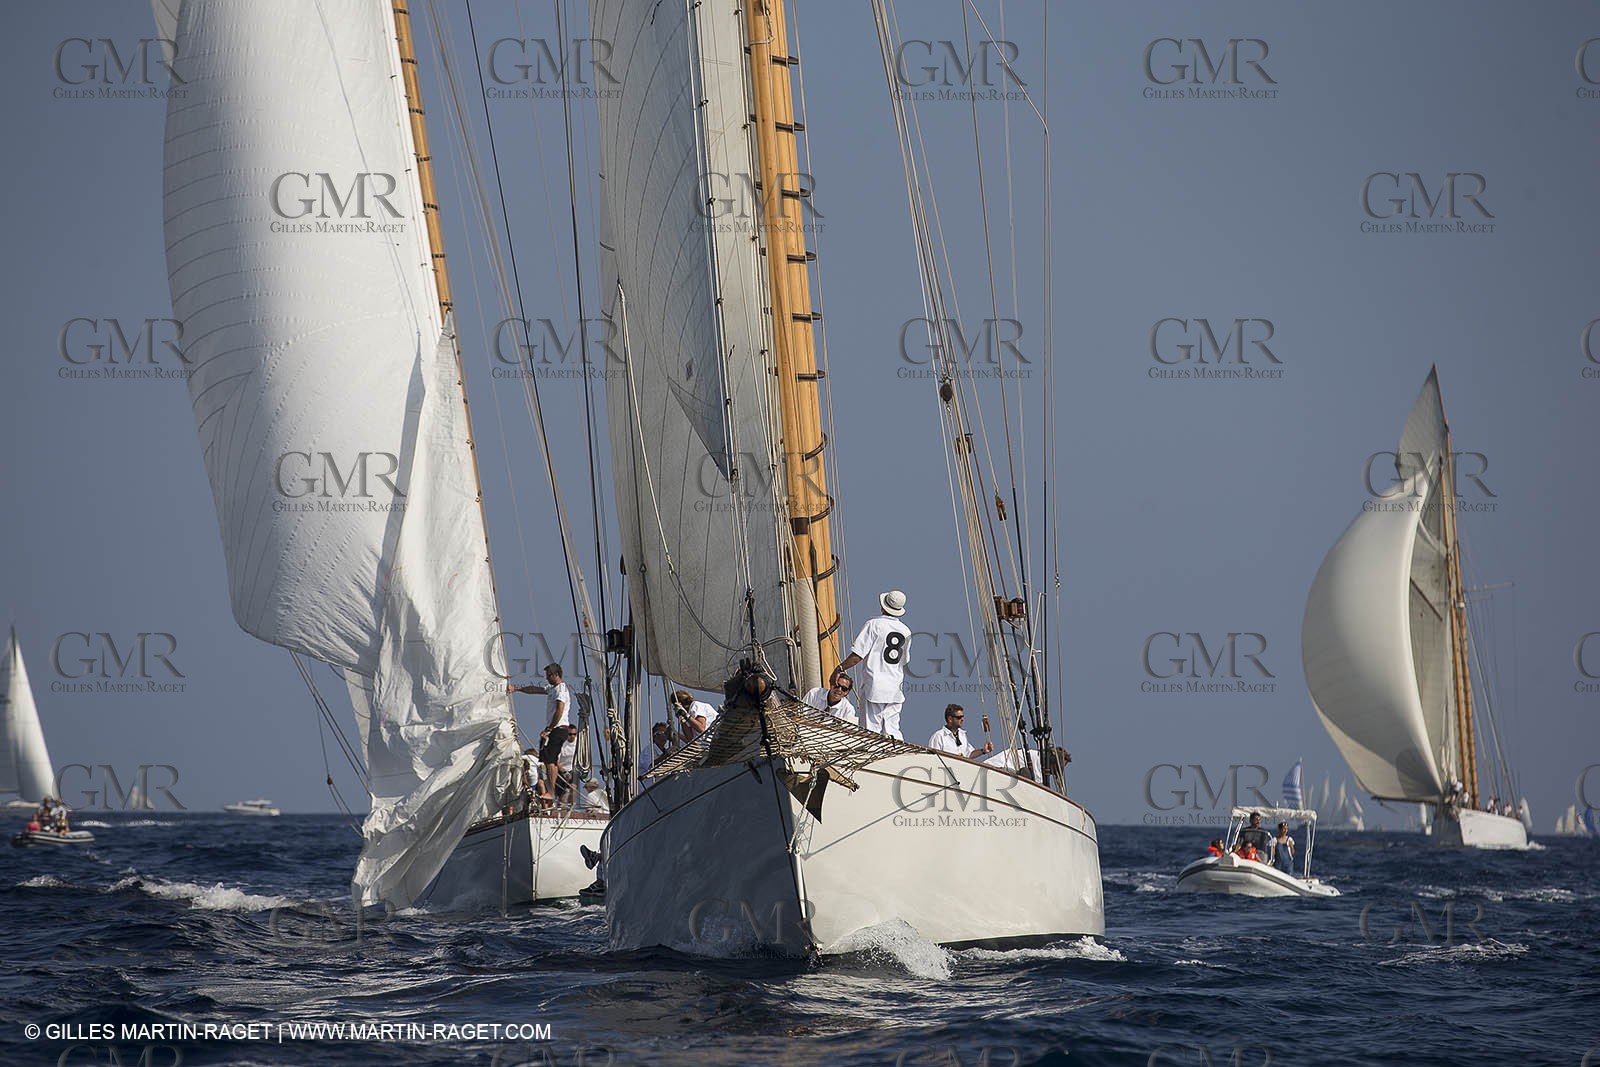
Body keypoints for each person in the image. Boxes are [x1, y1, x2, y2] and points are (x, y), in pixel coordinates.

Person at [833, 590, 911, 739]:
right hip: (895, 689)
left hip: (875, 687)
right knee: (893, 731)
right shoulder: (906, 631)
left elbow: (857, 656)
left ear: (883, 607)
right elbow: (904, 661)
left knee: (870, 732)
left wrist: (840, 668)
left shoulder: (874, 625)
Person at [510, 663, 572, 803]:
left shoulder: (561, 689)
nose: (547, 678)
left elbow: (559, 709)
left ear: (556, 675)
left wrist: (549, 729)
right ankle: (551, 791)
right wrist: (517, 689)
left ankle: (551, 792)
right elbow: (535, 689)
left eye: (549, 675)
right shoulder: (552, 689)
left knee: (549, 761)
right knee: (552, 761)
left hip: (558, 728)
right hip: (557, 729)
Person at [926, 704, 993, 758]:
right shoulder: (938, 736)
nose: (962, 719)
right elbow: (932, 758)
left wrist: (983, 751)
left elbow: (969, 754)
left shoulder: (962, 735)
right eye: (959, 717)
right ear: (950, 719)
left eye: (962, 716)